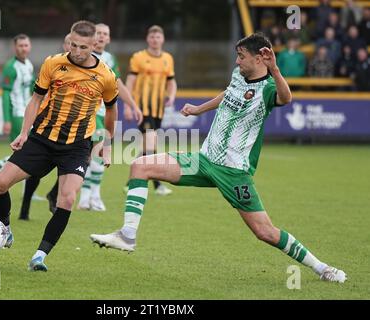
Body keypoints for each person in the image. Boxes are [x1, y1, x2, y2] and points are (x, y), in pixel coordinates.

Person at [90, 33, 347, 283]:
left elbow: (286, 98)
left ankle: (322, 267)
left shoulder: (268, 88)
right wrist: (198, 109)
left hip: (232, 172)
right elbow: (227, 94)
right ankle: (127, 235)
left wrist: (276, 70)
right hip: (204, 160)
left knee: (265, 232)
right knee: (140, 165)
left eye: (241, 56)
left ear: (260, 59)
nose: (237, 62)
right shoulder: (238, 75)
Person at [0, 20, 119, 272]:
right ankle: (4, 231)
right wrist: (24, 133)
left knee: (67, 199)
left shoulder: (105, 75)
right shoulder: (53, 63)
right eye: (73, 44)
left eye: (83, 47)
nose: (76, 51)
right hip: (42, 139)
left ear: (94, 45)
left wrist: (108, 141)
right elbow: (36, 99)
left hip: (76, 146)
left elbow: (113, 110)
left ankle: (39, 256)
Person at [45, 23, 143, 213]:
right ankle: (88, 197)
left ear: (109, 38)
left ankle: (88, 197)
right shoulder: (79, 57)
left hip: (100, 114)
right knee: (89, 155)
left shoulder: (109, 60)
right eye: (98, 33)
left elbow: (118, 85)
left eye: (105, 34)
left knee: (93, 156)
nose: (101, 37)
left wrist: (132, 104)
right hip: (82, 114)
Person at [0, 34, 43, 220]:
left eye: (26, 45)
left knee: (25, 152)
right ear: (15, 47)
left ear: (30, 47)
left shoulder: (28, 65)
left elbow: (31, 93)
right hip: (16, 115)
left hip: (26, 114)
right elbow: (5, 94)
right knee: (23, 152)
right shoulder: (10, 67)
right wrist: (6, 119)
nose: (23, 48)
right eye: (20, 45)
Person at [124, 25, 177, 196]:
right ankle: (158, 185)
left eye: (158, 37)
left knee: (148, 147)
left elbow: (171, 81)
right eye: (152, 37)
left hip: (158, 109)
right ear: (148, 39)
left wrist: (172, 95)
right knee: (151, 144)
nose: (155, 40)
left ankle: (130, 182)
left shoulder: (167, 58)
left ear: (163, 39)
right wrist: (127, 105)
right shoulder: (138, 57)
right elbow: (130, 82)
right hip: (142, 108)